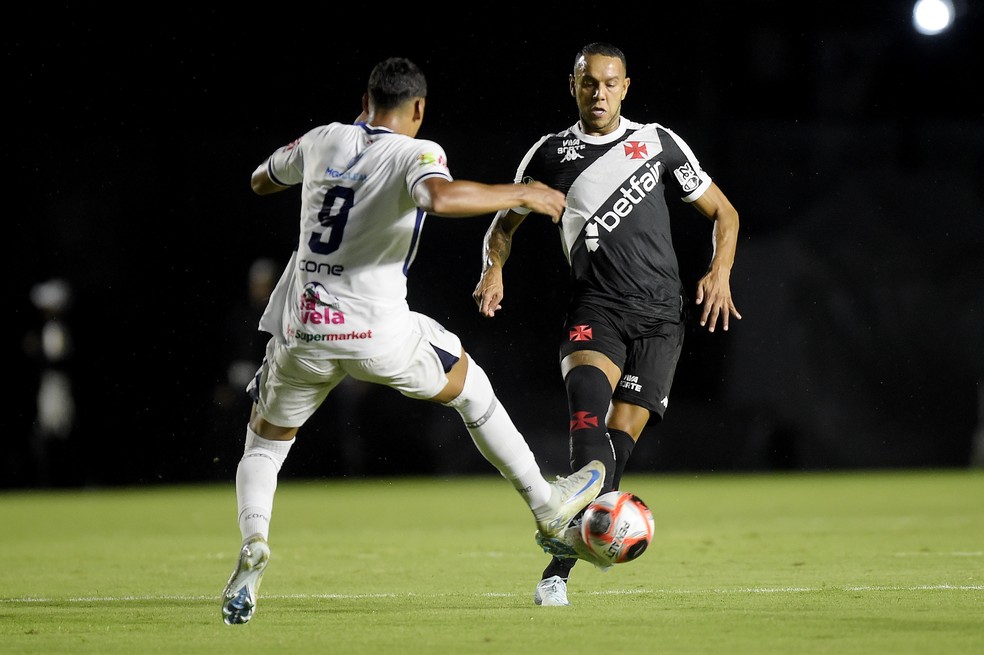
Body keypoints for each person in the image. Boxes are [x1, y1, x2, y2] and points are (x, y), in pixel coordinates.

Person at [220, 56, 606, 625]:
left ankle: (253, 545)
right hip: (377, 331)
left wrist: (319, 163)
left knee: (264, 447)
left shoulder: (325, 138)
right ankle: (548, 509)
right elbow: (439, 199)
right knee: (473, 390)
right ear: (419, 109)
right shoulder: (417, 153)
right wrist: (523, 193)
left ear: (366, 98)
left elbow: (259, 180)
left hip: (302, 327)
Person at [473, 42, 741, 606]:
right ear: (572, 85)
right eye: (589, 82)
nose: (599, 92)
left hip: (661, 320)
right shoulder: (548, 157)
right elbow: (504, 225)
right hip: (594, 309)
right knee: (587, 427)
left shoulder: (658, 143)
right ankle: (558, 566)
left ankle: (558, 562)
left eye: (610, 83)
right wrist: (493, 269)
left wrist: (719, 272)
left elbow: (724, 211)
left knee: (614, 455)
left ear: (626, 86)